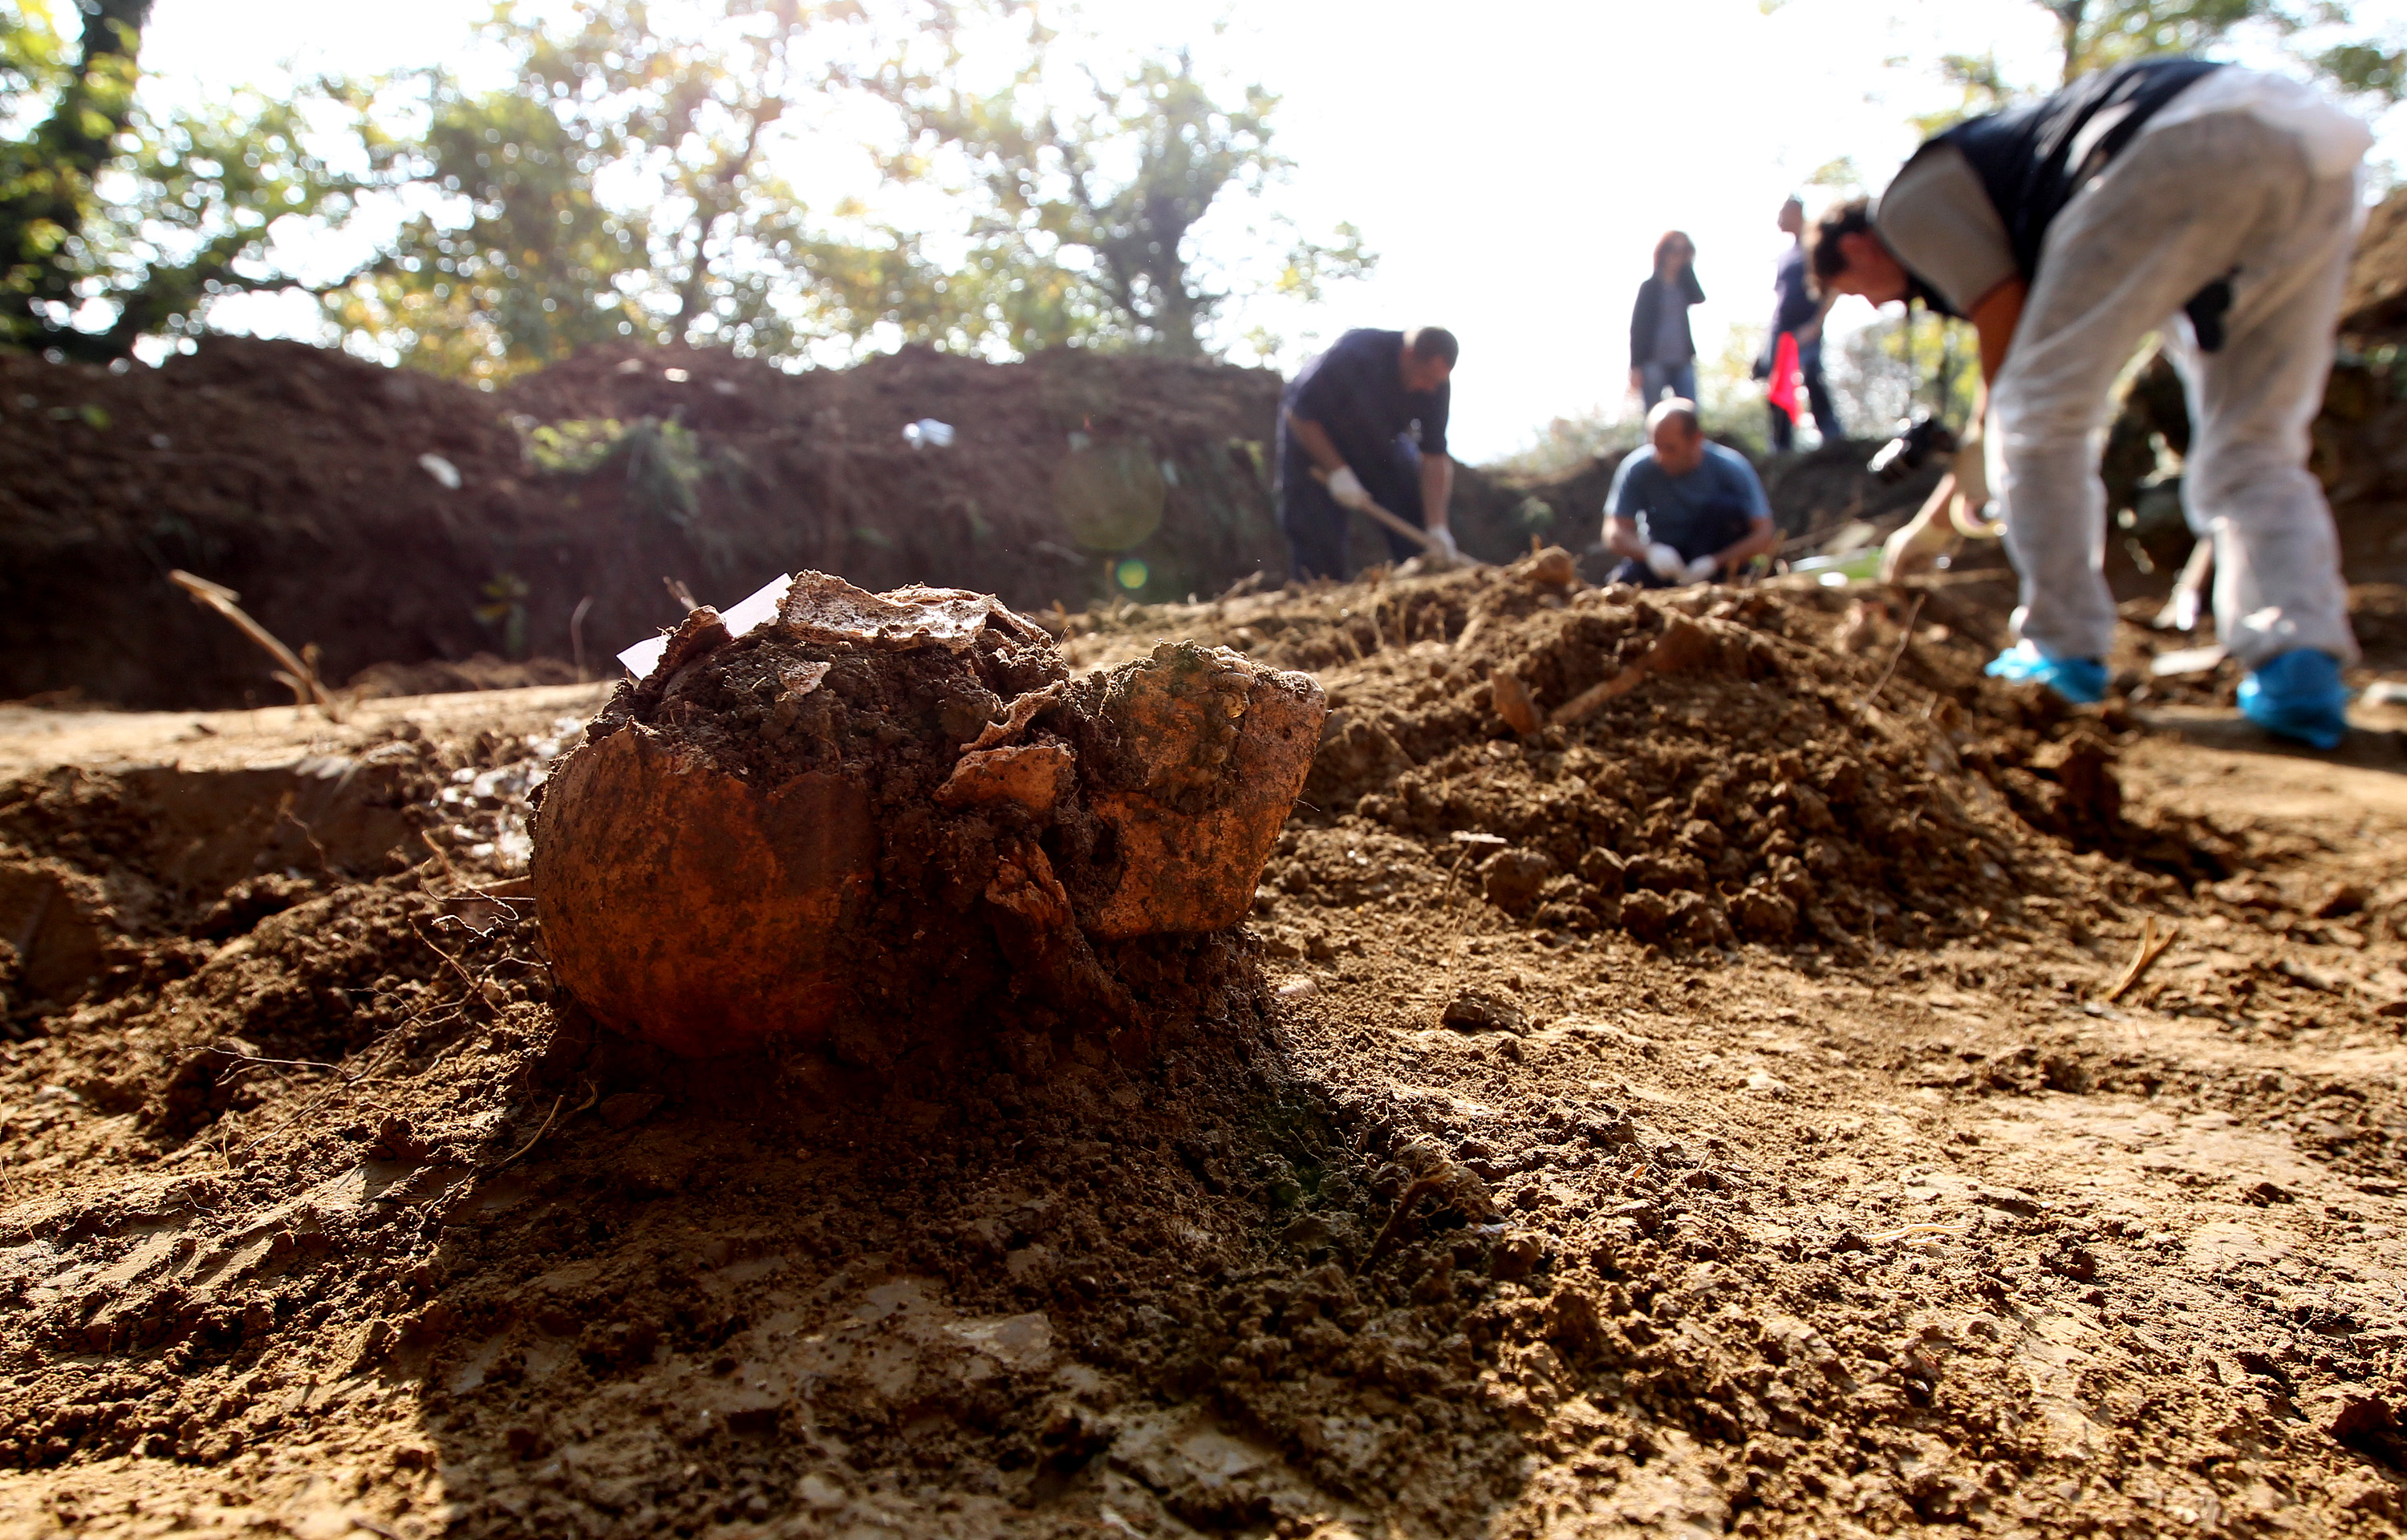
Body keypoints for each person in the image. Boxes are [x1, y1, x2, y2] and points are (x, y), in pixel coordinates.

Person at [1812, 59, 2369, 748]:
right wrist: (1954, 500)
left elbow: (2011, 356)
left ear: (1857, 245)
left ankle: (2061, 647)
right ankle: (2299, 664)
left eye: (1854, 288)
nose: (1874, 303)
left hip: (2178, 146)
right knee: (2256, 442)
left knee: (2041, 415)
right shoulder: (1995, 192)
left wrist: (1940, 516)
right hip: (2316, 150)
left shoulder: (1908, 207)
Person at [1277, 326, 1461, 582]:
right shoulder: (1355, 354)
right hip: (1315, 443)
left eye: (1437, 382)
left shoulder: (1436, 383)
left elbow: (1434, 457)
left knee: (1414, 508)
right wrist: (1339, 471)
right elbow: (1299, 415)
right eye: (1426, 377)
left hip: (1380, 447)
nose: (1430, 388)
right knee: (1318, 542)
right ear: (1408, 356)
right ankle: (1319, 593)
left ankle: (1426, 580)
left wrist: (1437, 526)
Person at [1601, 399, 1778, 587]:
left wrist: (1714, 562)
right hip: (1663, 563)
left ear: (1696, 439)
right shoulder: (1637, 468)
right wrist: (1650, 552)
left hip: (1720, 564)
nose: (1661, 457)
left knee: (1726, 507)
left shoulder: (1731, 468)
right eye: (1655, 446)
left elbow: (1764, 534)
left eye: (1670, 448)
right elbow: (1614, 532)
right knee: (1621, 587)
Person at [1759, 196, 1843, 451]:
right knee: (1778, 387)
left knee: (1811, 373)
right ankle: (1781, 447)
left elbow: (1833, 286)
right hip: (1780, 329)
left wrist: (1817, 323)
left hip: (1807, 326)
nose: (1779, 220)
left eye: (1783, 213)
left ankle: (1832, 437)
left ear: (1796, 212)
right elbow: (1779, 296)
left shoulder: (1814, 245)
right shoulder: (1785, 256)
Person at [1630, 232, 1704, 407]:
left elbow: (1699, 297)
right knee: (1654, 418)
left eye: (1683, 250)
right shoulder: (1650, 287)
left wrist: (1687, 268)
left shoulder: (1684, 285)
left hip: (1683, 360)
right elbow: (1637, 328)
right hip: (1653, 362)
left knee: (1690, 415)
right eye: (1672, 250)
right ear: (1663, 252)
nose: (1676, 255)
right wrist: (1635, 366)